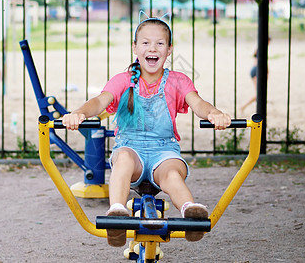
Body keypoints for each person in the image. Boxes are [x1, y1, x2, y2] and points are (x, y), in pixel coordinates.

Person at [61, 13, 231, 247]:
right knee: (123, 160)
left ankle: (191, 212)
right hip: (131, 148)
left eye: (160, 43)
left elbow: (198, 103)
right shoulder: (123, 80)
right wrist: (79, 112)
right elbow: (100, 101)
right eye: (146, 42)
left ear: (169, 49)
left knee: (172, 174)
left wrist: (214, 113)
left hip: (164, 151)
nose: (153, 48)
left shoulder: (179, 80)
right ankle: (117, 214)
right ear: (135, 47)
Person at [240, 37, 270, 114]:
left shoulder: (258, 49)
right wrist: (267, 73)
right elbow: (263, 63)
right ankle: (243, 107)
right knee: (259, 94)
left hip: (255, 70)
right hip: (257, 71)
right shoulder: (262, 49)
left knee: (259, 93)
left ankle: (245, 107)